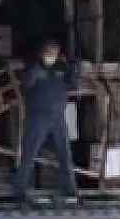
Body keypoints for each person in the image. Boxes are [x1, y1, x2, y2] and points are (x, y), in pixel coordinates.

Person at [10, 38, 79, 203]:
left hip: (58, 117)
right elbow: (26, 84)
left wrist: (72, 66)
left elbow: (72, 83)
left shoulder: (60, 69)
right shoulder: (34, 68)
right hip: (37, 117)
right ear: (42, 53)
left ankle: (70, 189)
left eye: (54, 53)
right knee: (30, 153)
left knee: (65, 154)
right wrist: (36, 69)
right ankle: (20, 188)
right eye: (48, 53)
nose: (51, 56)